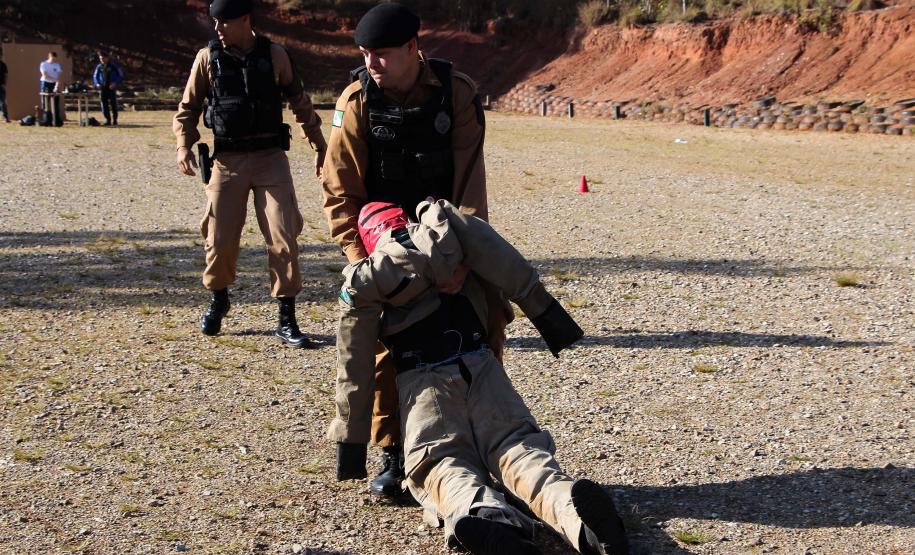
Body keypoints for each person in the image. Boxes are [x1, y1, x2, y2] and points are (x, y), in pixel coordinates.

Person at [329, 199, 629, 555]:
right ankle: (577, 517)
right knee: (519, 450)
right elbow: (505, 263)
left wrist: (351, 441)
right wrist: (547, 314)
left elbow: (355, 363)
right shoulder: (450, 235)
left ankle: (485, 517)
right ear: (404, 220)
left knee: (444, 465)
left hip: (424, 383)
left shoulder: (366, 279)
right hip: (482, 365)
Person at [322, 2, 508, 496]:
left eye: (381, 54)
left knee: (485, 320)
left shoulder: (457, 94)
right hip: (382, 244)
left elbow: (471, 190)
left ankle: (489, 445)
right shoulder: (355, 102)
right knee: (387, 342)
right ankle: (392, 452)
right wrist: (367, 268)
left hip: (450, 240)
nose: (371, 64)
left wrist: (460, 263)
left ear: (412, 47)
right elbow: (340, 192)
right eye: (365, 54)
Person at [173, 0, 326, 346]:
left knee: (283, 235)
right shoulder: (206, 58)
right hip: (227, 161)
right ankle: (219, 298)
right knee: (220, 238)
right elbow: (188, 107)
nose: (217, 28)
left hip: (271, 159)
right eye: (215, 22)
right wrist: (184, 144)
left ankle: (287, 316)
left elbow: (300, 102)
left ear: (244, 20)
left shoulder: (275, 56)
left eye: (224, 22)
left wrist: (320, 146)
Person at [93, 51, 124, 126]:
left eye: (103, 58)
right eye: (100, 58)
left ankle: (115, 120)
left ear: (107, 58)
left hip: (111, 87)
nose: (102, 60)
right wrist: (97, 83)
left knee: (113, 104)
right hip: (103, 87)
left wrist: (115, 83)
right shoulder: (99, 67)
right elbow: (95, 76)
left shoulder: (113, 66)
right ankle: (108, 119)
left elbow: (120, 75)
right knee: (104, 104)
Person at [39, 52, 63, 126]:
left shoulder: (57, 65)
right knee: (45, 102)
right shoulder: (43, 64)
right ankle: (46, 120)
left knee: (56, 102)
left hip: (54, 84)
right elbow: (45, 75)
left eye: (55, 59)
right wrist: (55, 80)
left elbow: (58, 76)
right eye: (53, 58)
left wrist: (56, 86)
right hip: (45, 83)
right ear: (49, 57)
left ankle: (56, 120)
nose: (54, 60)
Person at [0, 51, 9, 123]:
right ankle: (5, 117)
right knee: (3, 102)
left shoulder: (3, 65)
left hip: (1, 85)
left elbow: (6, 75)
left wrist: (4, 84)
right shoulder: (3, 64)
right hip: (2, 85)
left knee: (3, 102)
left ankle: (5, 117)